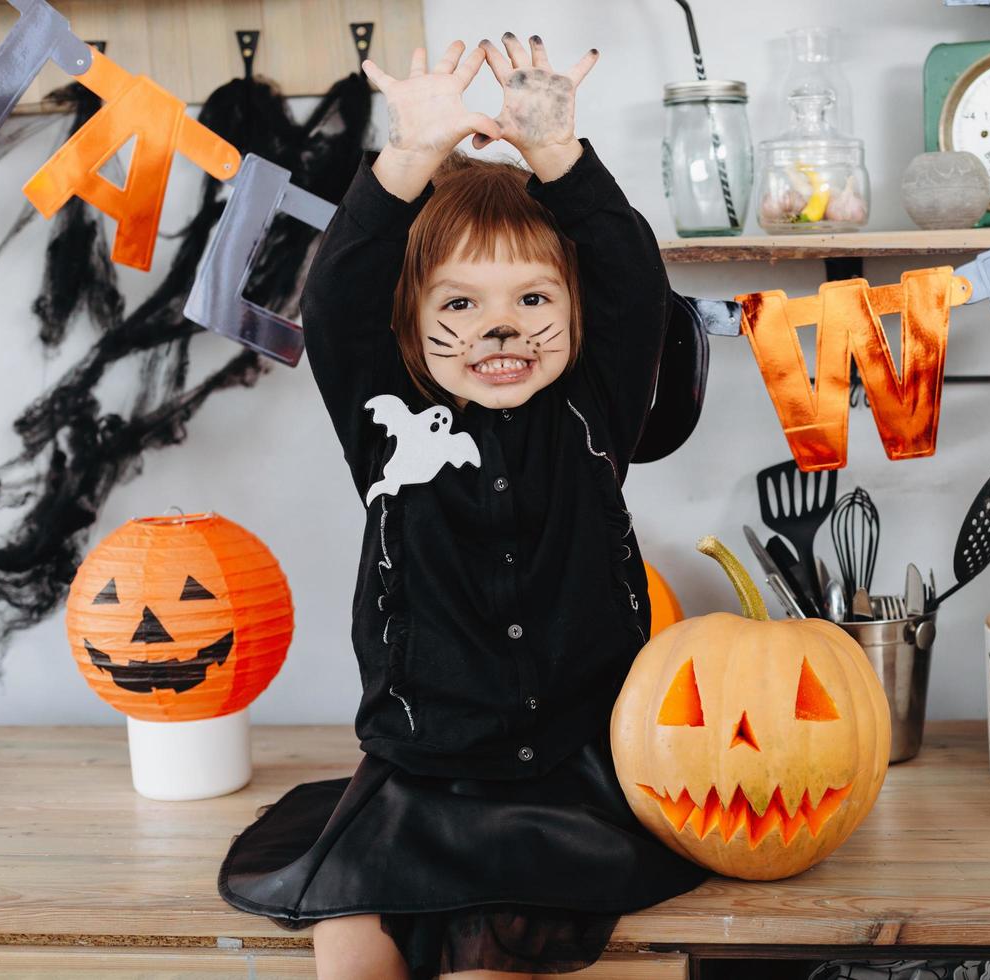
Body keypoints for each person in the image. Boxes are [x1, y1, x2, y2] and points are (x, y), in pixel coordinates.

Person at [217, 32, 710, 979]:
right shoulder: (388, 423)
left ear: (574, 312)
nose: (500, 329)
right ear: (410, 325)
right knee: (351, 948)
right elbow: (338, 300)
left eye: (532, 299)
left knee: (489, 966)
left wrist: (555, 153)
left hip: (566, 778)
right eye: (459, 307)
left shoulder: (593, 412)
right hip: (419, 774)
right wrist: (408, 158)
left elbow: (631, 278)